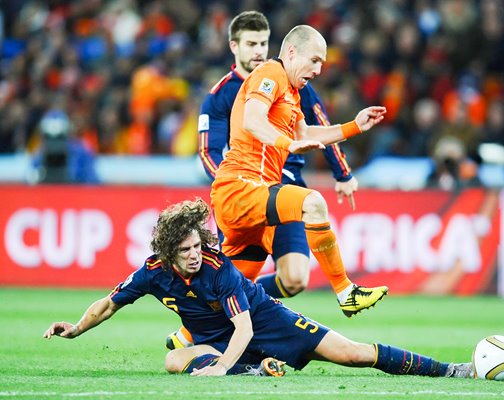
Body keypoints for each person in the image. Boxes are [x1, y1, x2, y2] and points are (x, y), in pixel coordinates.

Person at [43, 198, 474, 379]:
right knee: (175, 359)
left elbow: (244, 329)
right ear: (168, 251)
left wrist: (216, 370)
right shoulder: (152, 272)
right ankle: (253, 372)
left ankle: (450, 370)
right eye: (186, 249)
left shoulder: (219, 269)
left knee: (353, 354)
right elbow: (108, 305)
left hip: (265, 323)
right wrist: (77, 328)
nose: (195, 253)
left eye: (197, 244)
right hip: (216, 340)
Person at [209, 23, 388, 318]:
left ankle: (185, 338)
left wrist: (355, 126)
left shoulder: (291, 93)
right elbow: (252, 120)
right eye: (314, 60)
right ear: (292, 52)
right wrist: (286, 144)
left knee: (230, 296)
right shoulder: (270, 73)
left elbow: (305, 134)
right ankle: (346, 292)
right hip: (240, 186)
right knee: (313, 202)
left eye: (322, 63)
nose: (318, 70)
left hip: (257, 194)